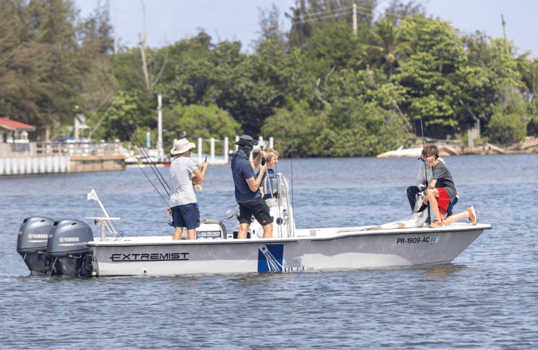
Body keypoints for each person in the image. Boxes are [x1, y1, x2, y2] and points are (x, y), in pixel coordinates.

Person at [421, 144, 478, 227]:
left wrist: (425, 196)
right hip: (443, 192)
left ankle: (437, 219)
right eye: (423, 157)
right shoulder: (435, 166)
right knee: (441, 223)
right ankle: (467, 213)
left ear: (433, 156)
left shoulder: (438, 167)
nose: (424, 159)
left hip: (448, 192)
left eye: (426, 157)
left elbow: (432, 185)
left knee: (429, 192)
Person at [231, 135, 273, 239]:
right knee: (268, 226)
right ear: (248, 148)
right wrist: (262, 171)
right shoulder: (244, 164)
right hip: (253, 199)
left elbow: (253, 165)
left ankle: (240, 252)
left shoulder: (235, 159)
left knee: (243, 227)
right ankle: (267, 253)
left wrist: (259, 156)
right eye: (252, 148)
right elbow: (254, 187)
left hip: (241, 199)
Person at [169, 138, 208, 240]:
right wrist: (204, 168)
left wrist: (197, 175)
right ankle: (193, 253)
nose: (190, 152)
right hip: (187, 201)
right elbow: (201, 178)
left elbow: (186, 179)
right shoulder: (188, 161)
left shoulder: (173, 163)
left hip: (175, 202)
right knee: (191, 229)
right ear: (186, 151)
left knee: (178, 229)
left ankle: (173, 251)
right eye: (189, 150)